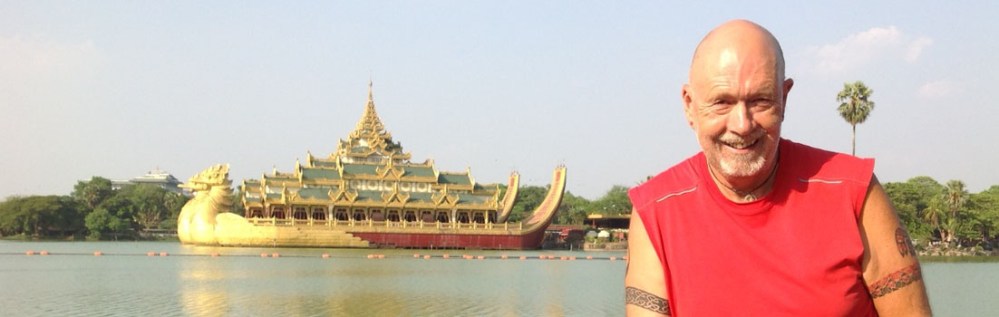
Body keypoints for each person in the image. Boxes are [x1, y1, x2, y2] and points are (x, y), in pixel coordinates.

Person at [625, 20, 931, 316]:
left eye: (760, 100)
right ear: (689, 105)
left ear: (784, 98)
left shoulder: (854, 192)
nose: (742, 125)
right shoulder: (656, 212)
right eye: (722, 102)